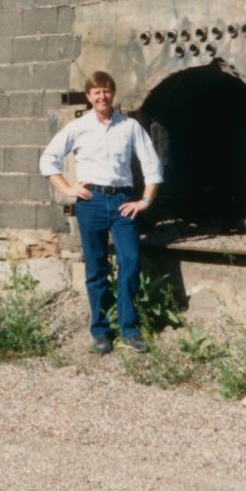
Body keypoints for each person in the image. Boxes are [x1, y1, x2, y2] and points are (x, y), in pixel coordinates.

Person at [39, 70, 162, 354]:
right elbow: (49, 159)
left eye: (106, 91)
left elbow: (152, 165)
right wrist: (67, 189)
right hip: (91, 201)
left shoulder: (129, 127)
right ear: (89, 96)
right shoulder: (78, 127)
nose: (102, 96)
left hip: (122, 202)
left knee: (130, 262)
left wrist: (144, 201)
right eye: (96, 92)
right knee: (96, 268)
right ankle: (101, 333)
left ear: (113, 94)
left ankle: (129, 330)